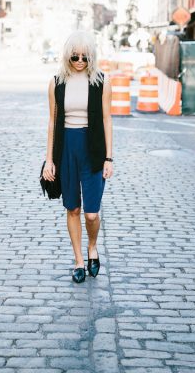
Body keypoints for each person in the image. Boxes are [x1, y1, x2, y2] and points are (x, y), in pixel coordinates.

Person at [42, 31, 113, 284]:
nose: (80, 60)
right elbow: (52, 122)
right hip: (66, 149)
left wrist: (109, 158)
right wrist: (49, 160)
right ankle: (79, 261)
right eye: (75, 56)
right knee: (72, 208)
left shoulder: (101, 81)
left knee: (91, 214)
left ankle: (92, 246)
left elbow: (107, 119)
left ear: (92, 56)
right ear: (67, 56)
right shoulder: (56, 82)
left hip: (93, 149)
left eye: (85, 56)